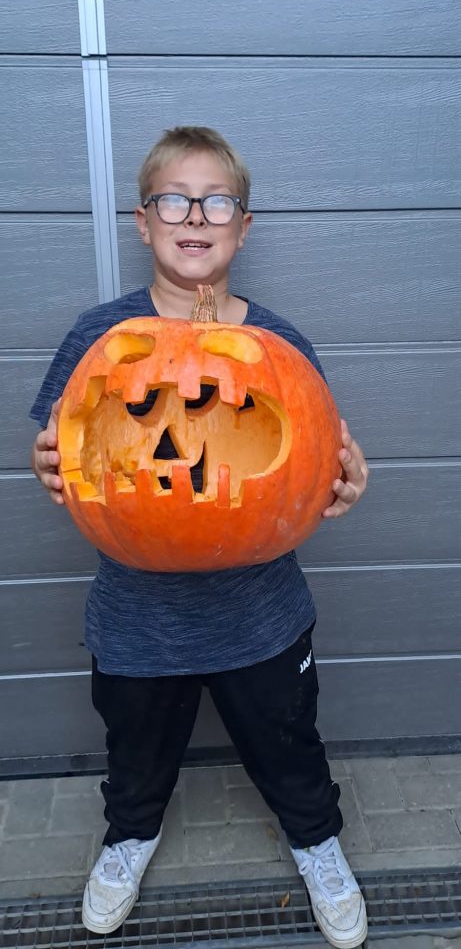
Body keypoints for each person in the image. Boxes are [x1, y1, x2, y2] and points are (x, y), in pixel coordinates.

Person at [31, 126, 369, 947]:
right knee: (135, 746)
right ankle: (130, 837)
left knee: (288, 740)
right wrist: (47, 460)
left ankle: (316, 841)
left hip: (261, 612)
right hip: (136, 616)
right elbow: (64, 441)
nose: (194, 216)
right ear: (143, 221)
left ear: (241, 227)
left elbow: (319, 448)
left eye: (216, 202)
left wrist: (348, 477)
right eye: (173, 200)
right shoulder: (101, 336)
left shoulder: (280, 345)